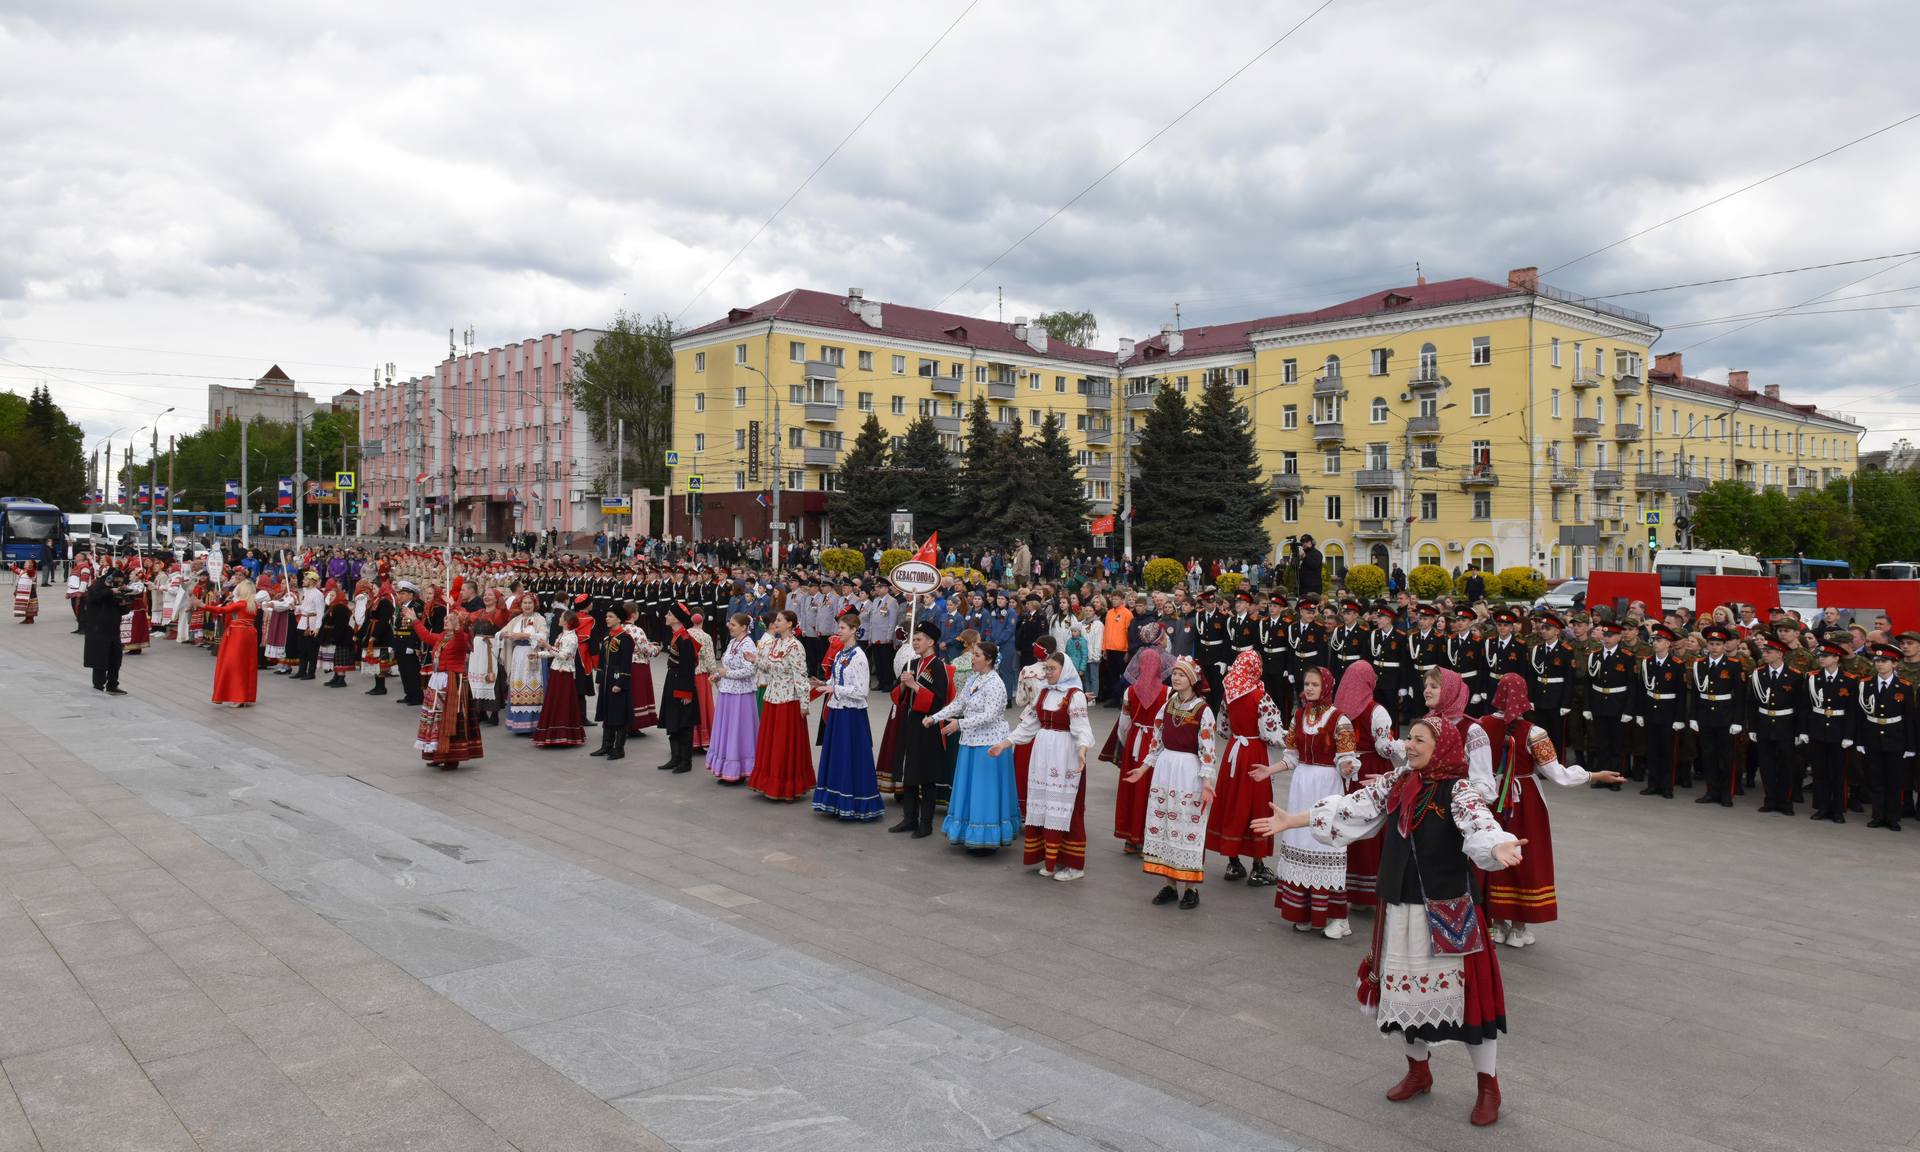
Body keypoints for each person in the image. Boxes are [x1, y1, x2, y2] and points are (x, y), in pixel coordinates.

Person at [1255, 717, 1525, 1128]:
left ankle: (1488, 1086)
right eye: (1410, 738)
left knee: (1470, 1004)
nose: (1410, 746)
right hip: (1399, 907)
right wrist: (1295, 820)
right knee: (1401, 997)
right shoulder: (1400, 781)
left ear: (1443, 746)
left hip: (1447, 910)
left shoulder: (1459, 789)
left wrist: (1498, 844)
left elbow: (1480, 824)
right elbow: (1355, 805)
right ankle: (1419, 1071)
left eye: (1420, 740)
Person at [1475, 673, 1622, 947]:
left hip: (1491, 800)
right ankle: (1519, 927)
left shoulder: (1480, 727)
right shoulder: (1534, 732)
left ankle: (1496, 923)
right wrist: (1593, 775)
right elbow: (1559, 775)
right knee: (1526, 858)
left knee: (1492, 854)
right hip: (1525, 802)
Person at [1268, 665, 1359, 937]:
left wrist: (1346, 767)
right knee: (1300, 840)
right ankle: (1305, 912)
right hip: (1301, 785)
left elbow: (1347, 757)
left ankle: (1337, 918)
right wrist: (1268, 770)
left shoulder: (1339, 719)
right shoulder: (1299, 715)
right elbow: (1292, 755)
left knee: (1326, 845)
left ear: (1326, 687)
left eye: (1315, 684)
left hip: (1327, 786)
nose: (1309, 688)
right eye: (1307, 683)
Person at [993, 649, 1095, 881]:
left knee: (1067, 807)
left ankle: (1073, 865)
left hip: (1066, 753)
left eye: (1053, 669)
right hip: (1043, 753)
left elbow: (1082, 727)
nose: (1048, 673)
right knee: (1044, 803)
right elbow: (1029, 724)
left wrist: (1081, 749)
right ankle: (1051, 860)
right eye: (1046, 668)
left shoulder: (1074, 694)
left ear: (1064, 670)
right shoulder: (1043, 693)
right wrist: (1005, 743)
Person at [1128, 656, 1217, 908]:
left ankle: (1190, 888)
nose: (1176, 678)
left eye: (1181, 674)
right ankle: (1169, 884)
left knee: (1188, 826)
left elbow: (1207, 749)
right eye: (1175, 674)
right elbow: (1156, 742)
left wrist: (1207, 781)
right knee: (1165, 823)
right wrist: (1144, 769)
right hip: (1166, 770)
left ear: (1192, 679)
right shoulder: (1167, 705)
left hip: (1189, 772)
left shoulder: (1203, 710)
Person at [929, 640, 1019, 851]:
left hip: (989, 744)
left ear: (988, 660)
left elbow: (990, 716)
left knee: (984, 790)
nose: (973, 658)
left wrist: (959, 724)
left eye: (977, 655)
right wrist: (935, 718)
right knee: (970, 787)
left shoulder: (996, 683)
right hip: (971, 740)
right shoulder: (974, 679)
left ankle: (986, 836)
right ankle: (967, 830)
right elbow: (959, 703)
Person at [1208, 648, 1284, 888]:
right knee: (1257, 804)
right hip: (1254, 752)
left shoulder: (1228, 692)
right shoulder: (1260, 695)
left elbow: (1223, 728)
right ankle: (1258, 866)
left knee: (1232, 802)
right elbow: (1272, 734)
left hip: (1234, 751)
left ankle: (1233, 861)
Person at [813, 612, 883, 820]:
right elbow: (837, 680)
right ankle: (834, 801)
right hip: (838, 711)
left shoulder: (859, 656)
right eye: (839, 628)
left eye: (843, 628)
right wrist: (824, 684)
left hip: (851, 715)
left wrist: (834, 690)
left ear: (854, 630)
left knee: (850, 757)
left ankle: (855, 803)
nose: (839, 632)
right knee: (837, 756)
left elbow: (861, 691)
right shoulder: (840, 653)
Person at [1101, 636, 1167, 854]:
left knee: (1131, 789)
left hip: (1135, 741)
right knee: (1151, 790)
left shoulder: (1130, 691)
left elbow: (1124, 723)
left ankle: (1131, 839)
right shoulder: (1167, 693)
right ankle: (1149, 838)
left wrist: (1126, 742)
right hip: (1155, 745)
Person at [891, 620, 954, 838]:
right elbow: (900, 696)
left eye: (918, 639)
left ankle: (925, 823)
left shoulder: (939, 666)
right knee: (910, 771)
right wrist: (902, 685)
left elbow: (940, 701)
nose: (915, 643)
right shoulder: (913, 663)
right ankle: (909, 818)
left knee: (926, 774)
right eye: (914, 639)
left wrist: (915, 686)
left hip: (929, 725)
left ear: (931, 642)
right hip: (911, 721)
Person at [748, 609, 814, 801]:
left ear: (790, 624)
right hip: (771, 696)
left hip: (788, 699)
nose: (775, 623)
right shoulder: (775, 643)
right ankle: (767, 782)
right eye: (775, 620)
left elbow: (801, 676)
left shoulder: (796, 646)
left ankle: (786, 785)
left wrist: (804, 703)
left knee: (783, 744)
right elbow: (769, 667)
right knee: (770, 742)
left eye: (779, 620)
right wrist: (756, 660)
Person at [411, 600, 484, 769]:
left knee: (449, 718)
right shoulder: (443, 636)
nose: (445, 621)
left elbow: (459, 636)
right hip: (438, 679)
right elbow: (426, 636)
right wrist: (415, 620)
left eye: (449, 620)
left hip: (453, 680)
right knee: (434, 717)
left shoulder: (461, 638)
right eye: (445, 619)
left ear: (458, 624)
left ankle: (451, 756)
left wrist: (457, 615)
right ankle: (437, 753)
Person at [1857, 642, 1913, 831]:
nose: (1880, 664)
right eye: (1877, 660)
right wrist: (1860, 740)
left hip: (1895, 738)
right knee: (1876, 779)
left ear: (1895, 664)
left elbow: (1909, 718)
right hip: (1872, 736)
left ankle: (1893, 817)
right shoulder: (1866, 684)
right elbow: (1861, 716)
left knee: (1895, 780)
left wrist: (1910, 745)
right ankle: (1878, 815)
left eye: (1885, 661)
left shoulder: (1904, 687)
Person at [707, 613, 760, 783]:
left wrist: (726, 673)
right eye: (730, 623)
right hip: (727, 691)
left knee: (738, 731)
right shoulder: (732, 642)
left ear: (744, 627)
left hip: (741, 694)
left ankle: (739, 770)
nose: (730, 626)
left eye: (734, 625)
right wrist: (717, 675)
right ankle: (725, 768)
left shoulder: (748, 645)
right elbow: (725, 666)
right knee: (727, 730)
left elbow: (750, 670)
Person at [530, 610, 585, 748]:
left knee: (562, 703)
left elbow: (564, 655)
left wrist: (547, 646)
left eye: (561, 617)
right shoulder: (562, 635)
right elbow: (553, 652)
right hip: (556, 672)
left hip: (564, 673)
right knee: (554, 702)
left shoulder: (572, 637)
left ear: (566, 621)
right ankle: (554, 734)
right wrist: (538, 654)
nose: (558, 619)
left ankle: (563, 735)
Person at [655, 603, 700, 773]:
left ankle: (685, 761)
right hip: (672, 681)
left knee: (684, 725)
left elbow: (688, 668)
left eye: (668, 614)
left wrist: (687, 693)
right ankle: (674, 758)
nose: (666, 616)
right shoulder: (676, 635)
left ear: (676, 618)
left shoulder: (685, 639)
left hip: (682, 685)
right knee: (673, 720)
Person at [203, 579, 260, 707]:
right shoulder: (253, 604)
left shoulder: (241, 604)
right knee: (246, 664)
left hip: (238, 635)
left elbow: (222, 611)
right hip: (249, 634)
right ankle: (243, 696)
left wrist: (203, 606)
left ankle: (237, 697)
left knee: (232, 664)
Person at [590, 608, 635, 761]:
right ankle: (606, 746)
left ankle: (619, 748)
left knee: (618, 714)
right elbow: (602, 661)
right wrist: (599, 679)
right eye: (606, 616)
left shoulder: (625, 638)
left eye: (611, 616)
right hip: (606, 679)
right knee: (608, 712)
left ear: (619, 619)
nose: (607, 619)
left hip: (617, 679)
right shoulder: (607, 637)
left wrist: (621, 682)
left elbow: (626, 663)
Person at [500, 597, 549, 734]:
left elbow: (543, 636)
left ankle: (535, 724)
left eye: (530, 603)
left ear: (535, 605)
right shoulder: (516, 619)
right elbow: (501, 632)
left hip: (533, 654)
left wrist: (523, 635)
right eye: (524, 603)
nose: (527, 606)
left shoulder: (540, 619)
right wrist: (508, 635)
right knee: (518, 685)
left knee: (533, 685)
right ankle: (519, 724)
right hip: (518, 656)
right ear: (520, 605)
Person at [81, 567, 130, 695]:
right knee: (100, 659)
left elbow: (124, 611)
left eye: (121, 581)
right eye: (117, 580)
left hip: (113, 629)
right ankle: (98, 685)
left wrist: (124, 600)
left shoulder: (116, 589)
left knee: (115, 659)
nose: (118, 583)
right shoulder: (97, 586)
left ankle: (112, 684)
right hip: (98, 629)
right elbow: (93, 598)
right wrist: (110, 591)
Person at [467, 620, 501, 725]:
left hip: (484, 669)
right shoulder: (491, 640)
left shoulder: (478, 640)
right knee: (484, 686)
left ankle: (488, 715)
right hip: (482, 668)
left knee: (486, 686)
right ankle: (481, 713)